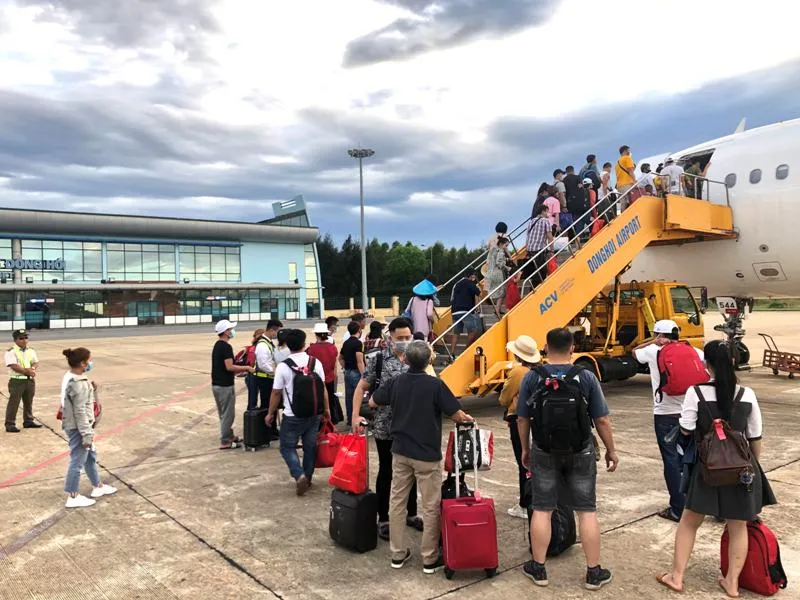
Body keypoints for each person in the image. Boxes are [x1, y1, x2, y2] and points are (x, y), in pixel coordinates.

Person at [655, 340, 776, 596]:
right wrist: (750, 466)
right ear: (734, 361)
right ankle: (732, 583)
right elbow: (755, 437)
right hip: (741, 469)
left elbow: (686, 429)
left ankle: (677, 577)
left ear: (705, 364)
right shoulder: (747, 395)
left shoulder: (695, 392)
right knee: (738, 525)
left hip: (707, 467)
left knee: (689, 521)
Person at [517, 328, 618, 591]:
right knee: (586, 511)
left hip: (543, 450)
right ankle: (593, 572)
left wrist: (526, 449)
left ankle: (539, 568)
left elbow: (522, 418)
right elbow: (602, 419)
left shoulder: (532, 377)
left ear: (545, 347)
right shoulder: (586, 376)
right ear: (572, 348)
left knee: (543, 509)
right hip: (580, 450)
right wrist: (611, 450)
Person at [370, 340, 473, 574]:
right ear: (429, 361)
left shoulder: (396, 382)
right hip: (427, 454)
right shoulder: (435, 385)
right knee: (430, 505)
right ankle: (429, 557)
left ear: (405, 359)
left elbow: (373, 401)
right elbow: (457, 415)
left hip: (400, 452)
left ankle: (397, 554)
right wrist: (466, 418)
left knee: (397, 503)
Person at [352, 317, 422, 541]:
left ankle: (411, 513)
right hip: (385, 426)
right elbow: (361, 387)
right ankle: (383, 518)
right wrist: (355, 415)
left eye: (408, 337)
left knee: (412, 470)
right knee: (387, 471)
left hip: (412, 426)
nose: (404, 341)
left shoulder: (417, 358)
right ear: (389, 337)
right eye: (400, 337)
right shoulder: (378, 359)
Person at [633, 320, 704, 522]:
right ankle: (702, 502)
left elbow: (634, 352)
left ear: (659, 335)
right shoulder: (694, 351)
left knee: (671, 460)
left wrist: (652, 341)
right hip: (692, 413)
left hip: (665, 414)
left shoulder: (653, 350)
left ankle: (678, 509)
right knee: (696, 458)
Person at [266, 328, 330, 496]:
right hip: (314, 413)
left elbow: (276, 392)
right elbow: (323, 388)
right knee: (310, 447)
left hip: (292, 415)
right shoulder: (315, 362)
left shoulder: (283, 366)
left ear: (288, 345)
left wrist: (270, 413)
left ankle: (298, 473)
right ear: (304, 343)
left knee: (287, 447)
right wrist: (326, 409)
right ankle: (307, 477)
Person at [60, 347, 118, 508]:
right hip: (79, 427)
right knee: (77, 461)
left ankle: (97, 485)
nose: (91, 363)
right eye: (89, 360)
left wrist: (92, 389)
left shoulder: (72, 377)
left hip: (80, 425)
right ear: (82, 363)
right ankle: (72, 495)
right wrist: (86, 433)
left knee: (90, 456)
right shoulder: (78, 384)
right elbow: (79, 411)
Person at [498, 335, 541, 519]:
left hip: (520, 418)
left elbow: (504, 398)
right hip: (538, 419)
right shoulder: (539, 371)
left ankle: (526, 502)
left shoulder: (518, 372)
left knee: (523, 461)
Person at [211, 319, 254, 450]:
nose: (232, 331)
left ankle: (229, 435)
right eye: (230, 329)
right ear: (225, 332)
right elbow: (229, 366)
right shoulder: (226, 347)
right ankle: (225, 440)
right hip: (225, 385)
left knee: (223, 413)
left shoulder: (217, 345)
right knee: (228, 414)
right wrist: (246, 368)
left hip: (216, 384)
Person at [5, 329, 41, 433]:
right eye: (21, 338)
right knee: (14, 403)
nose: (24, 340)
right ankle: (10, 424)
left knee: (28, 402)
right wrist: (27, 371)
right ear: (15, 340)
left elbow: (35, 362)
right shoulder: (11, 352)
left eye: (26, 337)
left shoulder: (31, 350)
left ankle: (28, 421)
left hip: (29, 381)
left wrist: (32, 369)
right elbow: (14, 366)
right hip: (17, 381)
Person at [306, 323, 343, 424]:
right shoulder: (332, 347)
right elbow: (334, 364)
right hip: (330, 377)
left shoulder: (311, 349)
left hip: (316, 379)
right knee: (330, 399)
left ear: (316, 335)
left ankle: (320, 422)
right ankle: (332, 420)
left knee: (318, 401)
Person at [254, 319, 283, 441]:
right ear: (271, 330)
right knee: (267, 405)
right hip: (265, 379)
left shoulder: (269, 342)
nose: (277, 334)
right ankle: (268, 431)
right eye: (277, 331)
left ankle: (273, 430)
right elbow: (263, 364)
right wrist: (276, 371)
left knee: (273, 406)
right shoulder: (262, 345)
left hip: (270, 378)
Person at [448, 269, 482, 358]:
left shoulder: (457, 284)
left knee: (456, 333)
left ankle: (452, 354)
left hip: (455, 311)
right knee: (473, 330)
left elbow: (452, 299)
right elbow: (479, 294)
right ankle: (465, 351)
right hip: (465, 311)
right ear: (472, 276)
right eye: (474, 276)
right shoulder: (470, 283)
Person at [523, 204, 554, 291]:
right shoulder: (546, 221)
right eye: (547, 211)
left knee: (534, 272)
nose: (548, 213)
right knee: (542, 272)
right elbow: (549, 236)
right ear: (543, 211)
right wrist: (552, 250)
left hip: (530, 250)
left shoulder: (532, 221)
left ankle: (533, 289)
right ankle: (538, 291)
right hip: (539, 250)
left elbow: (528, 235)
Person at [340, 321, 365, 426]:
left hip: (347, 372)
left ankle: (350, 419)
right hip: (356, 372)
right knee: (358, 397)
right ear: (359, 330)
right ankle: (358, 419)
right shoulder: (358, 343)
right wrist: (364, 375)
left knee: (349, 397)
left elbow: (340, 358)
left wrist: (345, 367)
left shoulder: (346, 343)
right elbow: (360, 361)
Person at [485, 236, 510, 318]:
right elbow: (499, 264)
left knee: (495, 291)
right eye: (506, 245)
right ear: (501, 244)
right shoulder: (501, 251)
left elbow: (488, 262)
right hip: (498, 274)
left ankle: (496, 308)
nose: (506, 247)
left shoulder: (492, 250)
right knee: (502, 292)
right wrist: (508, 268)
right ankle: (497, 310)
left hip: (490, 273)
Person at [244, 328, 265, 413]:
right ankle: (253, 415)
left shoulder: (252, 348)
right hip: (255, 376)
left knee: (252, 399)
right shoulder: (258, 348)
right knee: (254, 400)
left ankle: (251, 414)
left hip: (250, 376)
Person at [615, 145, 636, 212]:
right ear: (625, 151)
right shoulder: (627, 158)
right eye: (629, 150)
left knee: (622, 204)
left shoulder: (617, 162)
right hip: (627, 184)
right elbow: (630, 171)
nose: (630, 152)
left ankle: (621, 216)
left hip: (619, 186)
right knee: (631, 201)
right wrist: (634, 181)